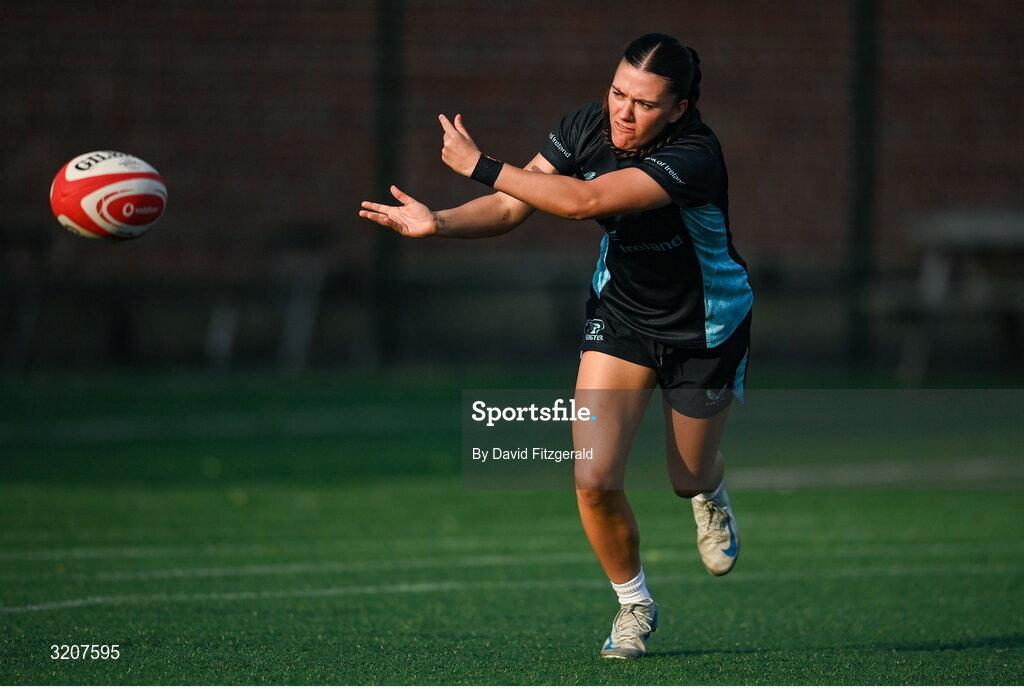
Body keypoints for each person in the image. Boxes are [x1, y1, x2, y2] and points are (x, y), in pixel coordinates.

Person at [359, 33, 752, 660]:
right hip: (622, 317)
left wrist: (482, 162)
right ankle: (634, 606)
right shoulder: (584, 127)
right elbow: (516, 207)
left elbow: (584, 202)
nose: (622, 113)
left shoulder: (696, 155)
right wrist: (440, 221)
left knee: (687, 475)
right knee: (593, 476)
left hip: (705, 326)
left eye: (644, 104)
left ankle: (709, 494)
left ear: (677, 110)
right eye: (618, 92)